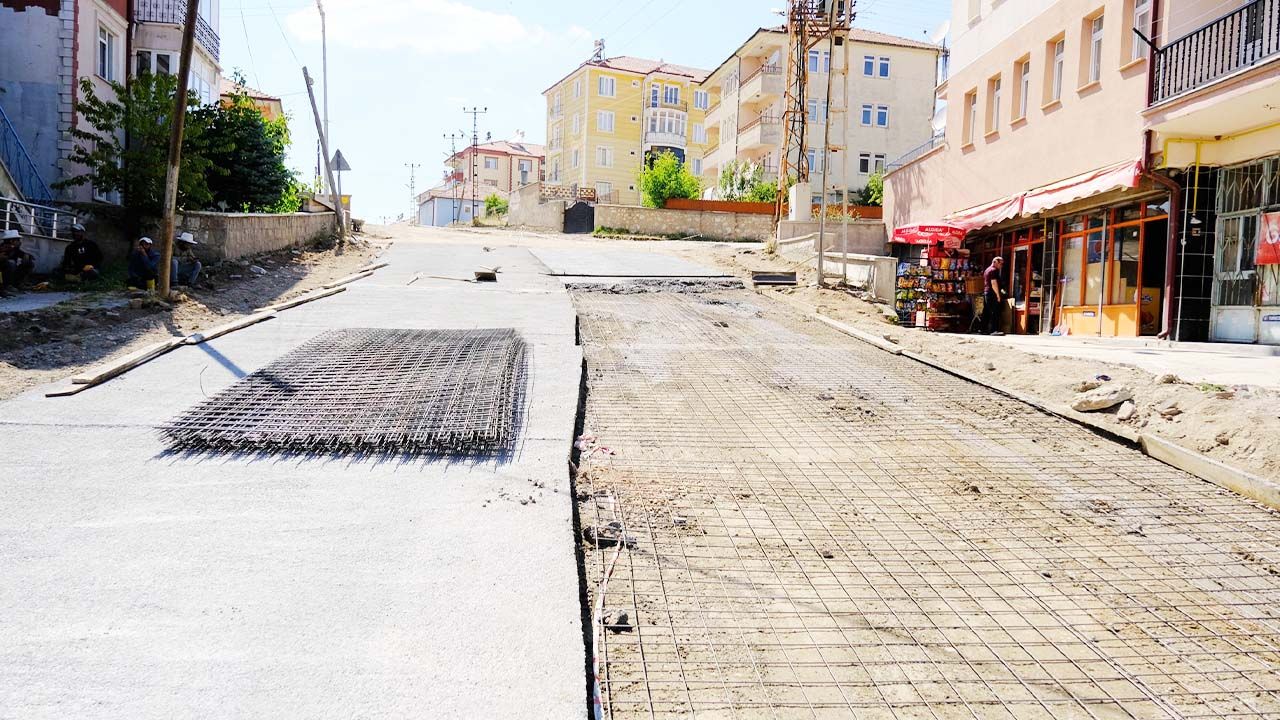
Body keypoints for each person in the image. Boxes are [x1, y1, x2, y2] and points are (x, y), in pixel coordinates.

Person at [1, 229, 35, 298]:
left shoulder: (15, 249)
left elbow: (23, 254)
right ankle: (7, 286)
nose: (20, 242)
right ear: (12, 241)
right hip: (3, 275)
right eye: (18, 240)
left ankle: (19, 284)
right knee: (11, 263)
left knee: (29, 263)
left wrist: (27, 256)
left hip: (12, 273)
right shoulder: (2, 248)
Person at [981, 256, 1006, 336]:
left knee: (986, 312)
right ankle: (994, 330)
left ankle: (983, 329)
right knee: (994, 311)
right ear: (995, 262)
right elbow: (994, 283)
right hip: (992, 293)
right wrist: (998, 295)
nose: (1001, 266)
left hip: (987, 292)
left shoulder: (987, 270)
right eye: (1000, 264)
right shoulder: (993, 270)